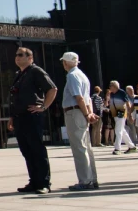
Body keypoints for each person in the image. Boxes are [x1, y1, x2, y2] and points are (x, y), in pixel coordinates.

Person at [7, 46, 57, 194]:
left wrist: (43, 106)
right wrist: (11, 117)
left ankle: (44, 183)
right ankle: (34, 181)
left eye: (21, 55)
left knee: (37, 149)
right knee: (26, 150)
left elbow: (52, 89)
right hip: (19, 117)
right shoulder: (19, 74)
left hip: (31, 116)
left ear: (30, 58)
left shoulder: (36, 71)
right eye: (16, 55)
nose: (17, 57)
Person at [60, 52, 99, 191]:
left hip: (74, 112)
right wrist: (89, 113)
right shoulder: (82, 75)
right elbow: (86, 98)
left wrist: (86, 114)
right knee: (86, 147)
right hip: (82, 112)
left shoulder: (72, 75)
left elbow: (79, 97)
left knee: (79, 148)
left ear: (65, 63)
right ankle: (92, 178)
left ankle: (85, 180)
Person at [106, 80, 135, 155]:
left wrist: (130, 114)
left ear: (114, 86)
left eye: (110, 86)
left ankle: (117, 148)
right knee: (122, 130)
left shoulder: (122, 92)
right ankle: (132, 147)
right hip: (114, 113)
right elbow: (107, 103)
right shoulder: (111, 94)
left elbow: (127, 103)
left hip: (121, 112)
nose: (109, 87)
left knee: (118, 130)